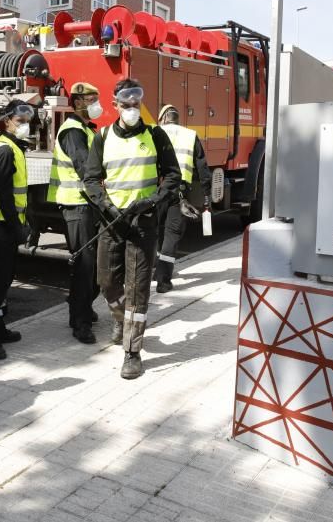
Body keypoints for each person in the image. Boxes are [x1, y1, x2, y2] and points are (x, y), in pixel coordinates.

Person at [83, 79, 181, 379]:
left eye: (135, 104)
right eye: (125, 105)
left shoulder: (155, 135)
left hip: (143, 223)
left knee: (137, 290)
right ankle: (122, 319)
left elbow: (173, 175)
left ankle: (132, 351)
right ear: (115, 105)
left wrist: (150, 201)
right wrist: (107, 206)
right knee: (106, 282)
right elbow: (90, 179)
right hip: (113, 223)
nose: (131, 109)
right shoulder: (102, 137)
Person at [0, 99, 34, 360]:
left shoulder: (14, 147)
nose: (25, 125)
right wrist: (16, 226)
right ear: (7, 120)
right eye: (20, 120)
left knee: (4, 280)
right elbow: (2, 194)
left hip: (6, 225)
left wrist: (24, 222)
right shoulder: (4, 150)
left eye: (27, 121)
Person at [48, 82, 103, 344]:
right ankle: (79, 323)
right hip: (76, 204)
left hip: (86, 205)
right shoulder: (72, 131)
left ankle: (83, 309)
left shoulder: (85, 129)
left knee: (92, 265)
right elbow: (85, 167)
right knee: (84, 266)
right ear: (79, 102)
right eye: (92, 99)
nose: (96, 104)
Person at [154, 104, 213, 293]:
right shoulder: (190, 135)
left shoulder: (153, 132)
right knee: (172, 234)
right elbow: (202, 168)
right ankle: (163, 280)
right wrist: (206, 194)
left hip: (154, 191)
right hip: (178, 193)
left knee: (154, 231)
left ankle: (155, 270)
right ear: (177, 119)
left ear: (163, 118)